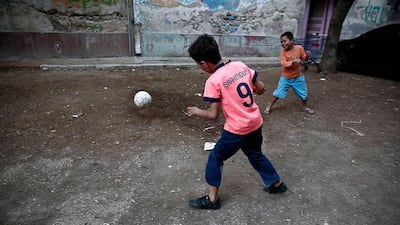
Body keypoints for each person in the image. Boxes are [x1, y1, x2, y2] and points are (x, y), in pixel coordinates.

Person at [186, 34, 287, 210]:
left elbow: (213, 115)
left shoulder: (213, 80)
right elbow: (261, 87)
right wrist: (257, 90)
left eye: (198, 65)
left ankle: (212, 200)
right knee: (255, 154)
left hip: (237, 129)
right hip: (255, 122)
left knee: (216, 157)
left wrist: (196, 111)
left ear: (204, 63)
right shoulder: (239, 65)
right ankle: (276, 183)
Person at [264, 31, 315, 115]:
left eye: (285, 41)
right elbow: (284, 63)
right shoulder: (283, 52)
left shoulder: (299, 48)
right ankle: (269, 105)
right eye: (281, 42)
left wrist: (307, 56)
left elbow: (304, 59)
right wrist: (293, 61)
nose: (283, 43)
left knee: (304, 93)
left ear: (292, 41)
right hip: (286, 78)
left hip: (298, 77)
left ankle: (304, 107)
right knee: (278, 93)